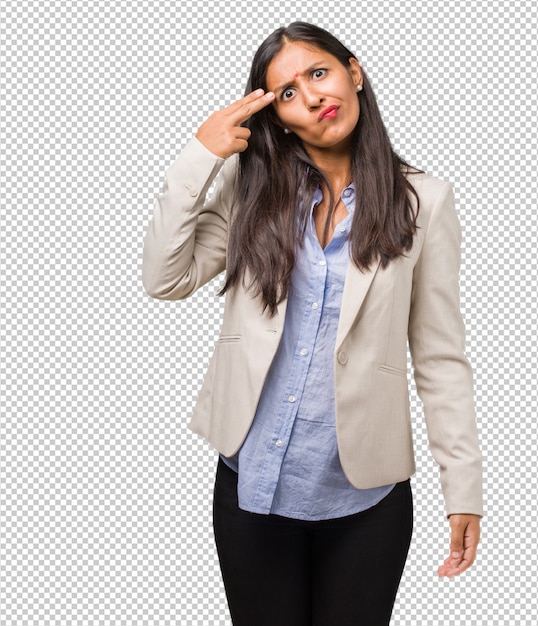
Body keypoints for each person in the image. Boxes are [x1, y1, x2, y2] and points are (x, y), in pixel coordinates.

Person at [142, 21, 483, 626]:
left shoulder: (424, 201)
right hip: (252, 485)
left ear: (354, 71)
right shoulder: (249, 190)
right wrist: (201, 154)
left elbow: (439, 356)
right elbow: (166, 280)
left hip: (366, 495)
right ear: (279, 119)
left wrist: (463, 488)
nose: (313, 97)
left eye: (318, 73)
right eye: (289, 94)